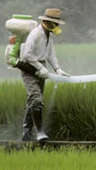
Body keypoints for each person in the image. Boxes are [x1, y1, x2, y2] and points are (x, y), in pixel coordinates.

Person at [18, 8, 70, 141]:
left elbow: (51, 54)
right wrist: (40, 68)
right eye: (55, 23)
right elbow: (27, 54)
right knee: (36, 99)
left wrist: (57, 69)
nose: (56, 26)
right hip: (29, 68)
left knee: (34, 101)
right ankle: (40, 132)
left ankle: (26, 132)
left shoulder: (49, 36)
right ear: (47, 22)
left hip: (42, 67)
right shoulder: (35, 34)